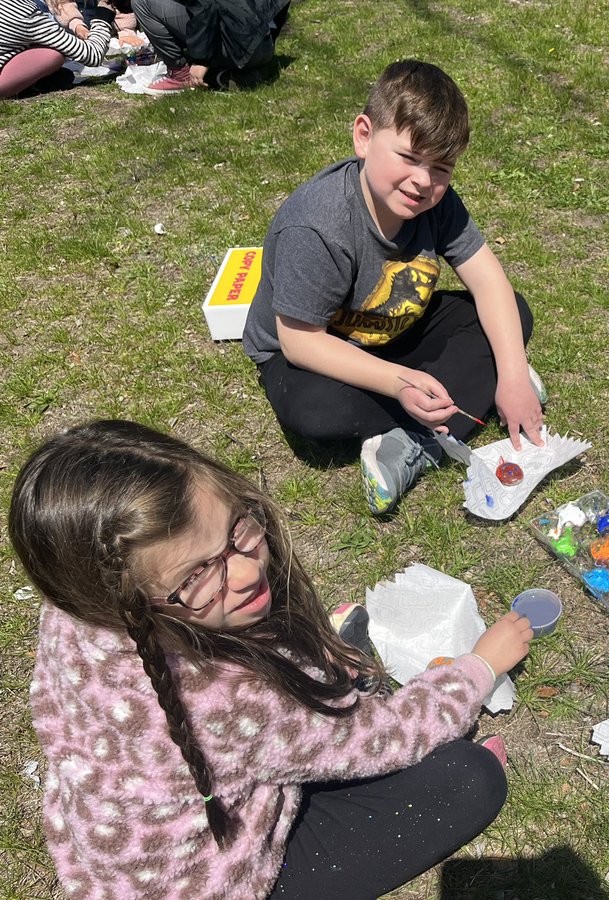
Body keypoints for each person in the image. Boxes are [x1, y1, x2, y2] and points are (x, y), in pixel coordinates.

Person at [11, 419, 534, 900]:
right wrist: (478, 669)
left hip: (117, 858)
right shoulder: (227, 694)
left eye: (238, 528)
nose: (244, 574)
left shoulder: (76, 609)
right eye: (195, 577)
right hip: (218, 882)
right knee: (468, 779)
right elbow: (381, 740)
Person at [242, 59, 546, 516]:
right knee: (316, 415)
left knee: (513, 313)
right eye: (408, 157)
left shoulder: (438, 203)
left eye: (441, 168)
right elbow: (299, 341)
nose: (423, 181)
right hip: (312, 351)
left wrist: (514, 372)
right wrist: (398, 381)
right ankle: (444, 414)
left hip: (396, 328)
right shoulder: (318, 225)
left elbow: (488, 280)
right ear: (363, 136)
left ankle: (426, 429)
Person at [130, 0, 288, 95]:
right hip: (263, 46)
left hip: (237, 47)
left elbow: (205, 6)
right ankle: (240, 73)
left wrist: (201, 60)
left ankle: (180, 74)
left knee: (142, 2)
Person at [0, 0, 116, 98]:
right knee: (52, 55)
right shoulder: (24, 15)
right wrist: (103, 15)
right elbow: (93, 54)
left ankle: (35, 82)